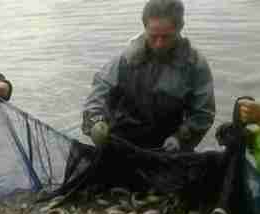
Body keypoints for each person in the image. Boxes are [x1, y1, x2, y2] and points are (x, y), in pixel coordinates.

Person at [82, 0, 215, 152]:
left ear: (179, 28)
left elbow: (203, 114)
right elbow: (99, 90)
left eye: (166, 37)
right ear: (145, 28)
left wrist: (180, 138)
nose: (159, 43)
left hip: (168, 145)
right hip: (122, 141)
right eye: (153, 36)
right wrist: (95, 122)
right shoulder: (126, 58)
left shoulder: (195, 65)